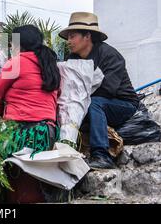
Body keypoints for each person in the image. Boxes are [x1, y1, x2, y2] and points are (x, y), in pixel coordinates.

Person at [59, 12, 139, 169]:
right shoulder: (73, 59)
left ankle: (101, 155)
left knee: (94, 103)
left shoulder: (110, 55)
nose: (68, 41)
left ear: (87, 36)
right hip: (91, 102)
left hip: (122, 103)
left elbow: (108, 90)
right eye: (68, 37)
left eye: (72, 36)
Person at [0, 24, 61, 156]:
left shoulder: (16, 62)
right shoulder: (50, 64)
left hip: (23, 134)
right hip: (47, 134)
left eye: (12, 45)